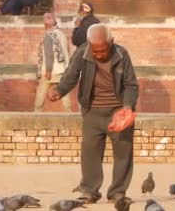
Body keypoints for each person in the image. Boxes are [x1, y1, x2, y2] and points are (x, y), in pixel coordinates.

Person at [46, 24, 138, 204]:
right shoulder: (83, 52)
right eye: (95, 51)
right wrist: (59, 90)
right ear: (88, 44)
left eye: (102, 51)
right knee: (90, 152)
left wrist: (127, 108)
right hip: (92, 111)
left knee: (123, 153)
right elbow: (71, 75)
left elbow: (131, 85)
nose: (98, 55)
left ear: (111, 42)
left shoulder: (122, 54)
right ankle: (89, 190)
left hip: (118, 111)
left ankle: (117, 192)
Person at [35, 12, 72, 112]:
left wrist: (48, 70)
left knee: (41, 93)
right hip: (62, 69)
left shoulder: (49, 35)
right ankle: (69, 114)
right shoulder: (61, 34)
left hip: (51, 70)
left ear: (45, 24)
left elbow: (49, 54)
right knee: (64, 92)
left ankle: (37, 115)